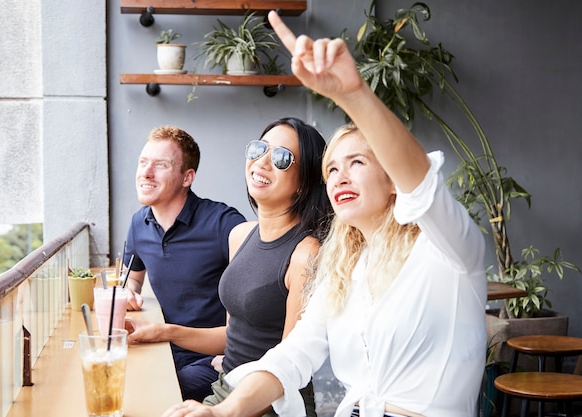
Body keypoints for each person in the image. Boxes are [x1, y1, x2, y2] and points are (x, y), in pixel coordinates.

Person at [161, 10, 487, 417]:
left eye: (357, 163)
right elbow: (292, 354)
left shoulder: (449, 251)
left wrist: (353, 95)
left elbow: (422, 184)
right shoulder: (344, 267)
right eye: (332, 168)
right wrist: (223, 411)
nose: (339, 177)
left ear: (392, 180)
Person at [125, 117, 332, 417]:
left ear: (304, 184)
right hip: (229, 385)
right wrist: (162, 331)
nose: (262, 162)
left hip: (273, 402)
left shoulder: (305, 253)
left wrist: (222, 411)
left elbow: (289, 368)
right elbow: (235, 337)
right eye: (259, 149)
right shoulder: (240, 236)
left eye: (281, 158)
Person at [122, 125, 246, 401]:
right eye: (143, 163)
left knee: (147, 396)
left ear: (187, 177)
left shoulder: (224, 224)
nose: (146, 173)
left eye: (160, 165)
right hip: (162, 349)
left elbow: (259, 300)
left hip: (210, 360)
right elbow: (132, 276)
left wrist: (235, 352)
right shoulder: (138, 223)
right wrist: (129, 292)